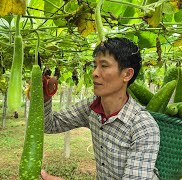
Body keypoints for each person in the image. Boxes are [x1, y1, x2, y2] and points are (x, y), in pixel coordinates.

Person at [41, 37, 160, 179]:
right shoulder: (92, 107)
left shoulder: (143, 126)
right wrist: (45, 97)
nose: (94, 73)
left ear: (127, 74)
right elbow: (49, 125)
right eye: (95, 65)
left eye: (104, 66)